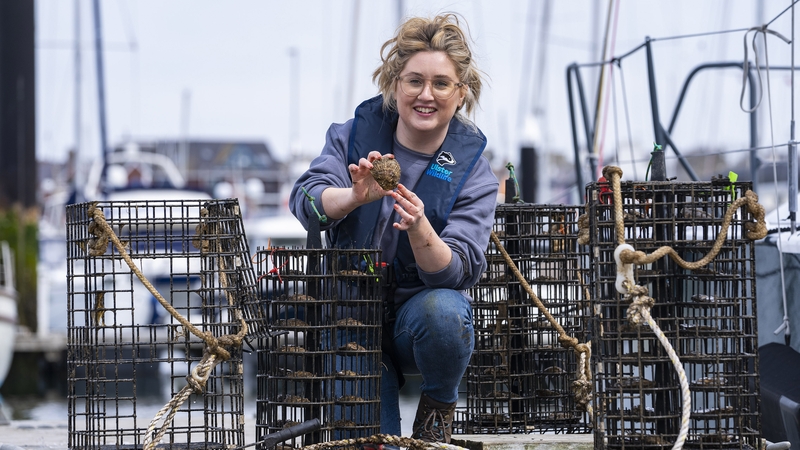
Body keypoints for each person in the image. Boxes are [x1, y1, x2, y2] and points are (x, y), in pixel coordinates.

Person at [289, 13, 498, 443]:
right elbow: (307, 200)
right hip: (351, 321)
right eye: (414, 81)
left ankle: (439, 402)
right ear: (394, 84)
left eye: (441, 83)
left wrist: (421, 229)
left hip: (418, 319)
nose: (426, 94)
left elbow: (458, 271)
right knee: (370, 441)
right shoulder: (351, 136)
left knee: (445, 310)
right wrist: (352, 197)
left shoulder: (474, 172)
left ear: (460, 94)